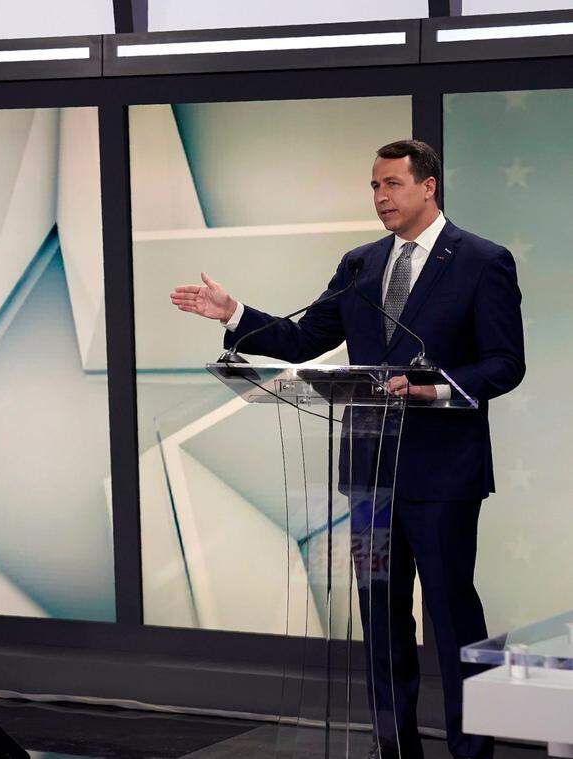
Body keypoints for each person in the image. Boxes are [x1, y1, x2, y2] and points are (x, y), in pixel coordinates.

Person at [171, 140, 524, 759]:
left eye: (391, 184)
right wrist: (234, 314)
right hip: (369, 477)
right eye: (374, 187)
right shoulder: (360, 265)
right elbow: (305, 339)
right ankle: (394, 749)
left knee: (452, 618)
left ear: (428, 186)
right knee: (382, 624)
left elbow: (504, 363)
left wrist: (430, 386)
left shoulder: (481, 261)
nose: (380, 198)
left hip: (442, 476)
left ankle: (474, 754)